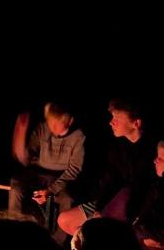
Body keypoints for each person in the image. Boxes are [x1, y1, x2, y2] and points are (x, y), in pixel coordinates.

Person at [58, 97, 154, 236]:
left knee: (101, 232)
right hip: (110, 202)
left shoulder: (153, 153)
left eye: (117, 118)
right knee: (65, 220)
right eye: (112, 117)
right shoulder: (117, 148)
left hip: (135, 209)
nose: (111, 122)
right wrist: (100, 207)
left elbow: (143, 192)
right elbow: (109, 181)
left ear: (136, 123)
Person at [9, 102, 85, 235]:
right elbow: (26, 159)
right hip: (38, 174)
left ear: (69, 121)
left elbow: (74, 169)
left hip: (60, 178)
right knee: (16, 187)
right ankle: (14, 230)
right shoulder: (42, 129)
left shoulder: (78, 137)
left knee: (67, 199)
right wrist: (19, 137)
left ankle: (57, 244)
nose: (53, 127)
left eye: (57, 123)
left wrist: (51, 190)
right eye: (51, 122)